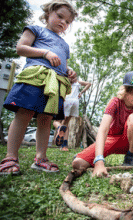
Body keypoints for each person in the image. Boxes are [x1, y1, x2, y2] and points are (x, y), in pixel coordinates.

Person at [0, 0, 78, 175]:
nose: (63, 23)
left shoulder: (65, 45)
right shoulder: (36, 30)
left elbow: (63, 64)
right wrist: (45, 53)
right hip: (36, 78)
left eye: (67, 22)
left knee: (46, 119)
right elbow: (21, 48)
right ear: (48, 12)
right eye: (60, 16)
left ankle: (41, 158)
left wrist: (69, 72)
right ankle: (11, 157)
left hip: (55, 83)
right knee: (24, 114)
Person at [72, 71, 133, 177]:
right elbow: (103, 130)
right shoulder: (115, 102)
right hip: (111, 140)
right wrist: (99, 161)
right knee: (77, 164)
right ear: (125, 91)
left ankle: (130, 157)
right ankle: (93, 156)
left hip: (131, 142)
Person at [53, 77, 91, 151]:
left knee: (56, 121)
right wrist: (81, 92)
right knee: (66, 124)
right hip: (75, 102)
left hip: (66, 100)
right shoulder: (77, 82)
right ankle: (64, 146)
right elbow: (89, 84)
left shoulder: (64, 80)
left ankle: (59, 128)